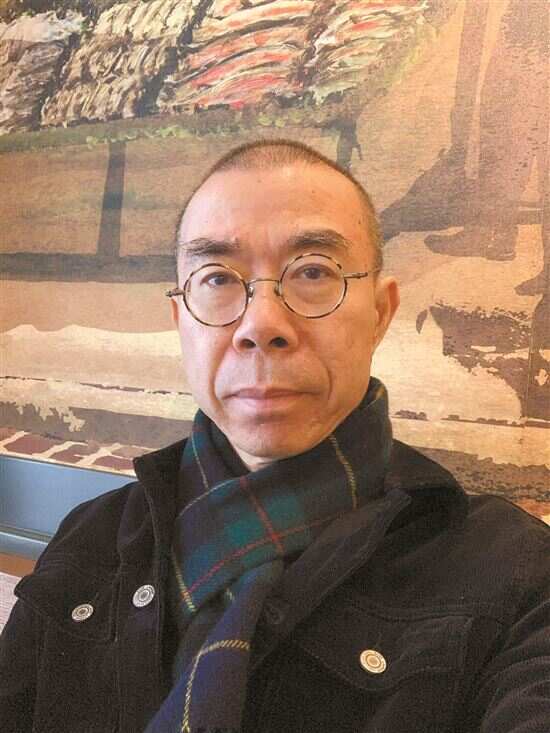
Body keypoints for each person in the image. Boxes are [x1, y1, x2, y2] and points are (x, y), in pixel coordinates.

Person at [1, 139, 549, 733]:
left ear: (380, 313)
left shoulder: (516, 573)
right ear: (181, 321)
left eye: (314, 271)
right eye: (217, 277)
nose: (261, 325)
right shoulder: (91, 534)